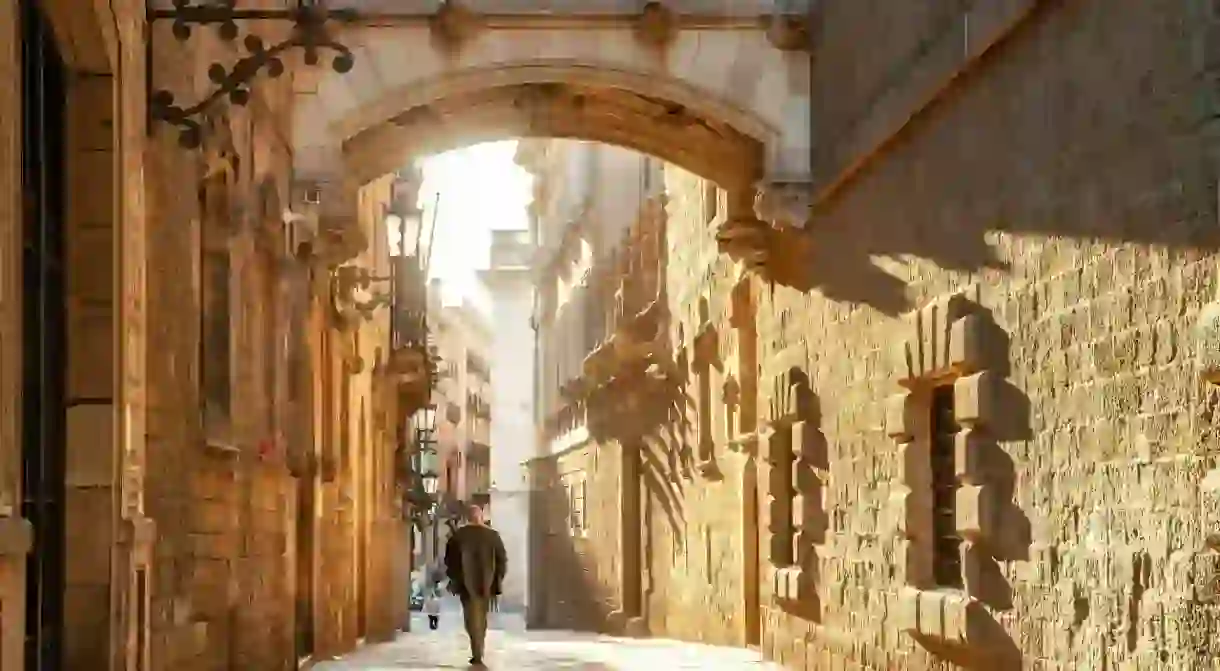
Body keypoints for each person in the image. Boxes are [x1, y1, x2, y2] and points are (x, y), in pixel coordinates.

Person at [443, 503, 507, 667]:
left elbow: (449, 560)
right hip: (487, 583)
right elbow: (502, 561)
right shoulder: (493, 535)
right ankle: (478, 650)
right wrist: (497, 580)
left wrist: (454, 578)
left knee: (471, 618)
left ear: (468, 517)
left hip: (466, 583)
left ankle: (476, 651)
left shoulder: (459, 535)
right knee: (482, 617)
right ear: (481, 517)